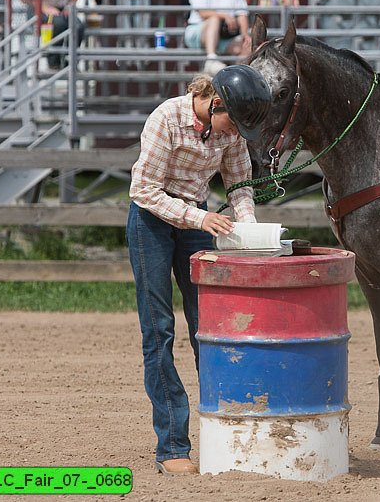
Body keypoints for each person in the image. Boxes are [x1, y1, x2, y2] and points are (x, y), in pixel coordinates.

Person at [127, 65, 271, 474]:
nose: (236, 135)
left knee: (208, 329)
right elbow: (143, 190)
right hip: (152, 221)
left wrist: (250, 230)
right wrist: (197, 218)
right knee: (159, 331)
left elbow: (240, 185)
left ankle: (223, 435)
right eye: (234, 123)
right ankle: (172, 446)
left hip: (195, 220)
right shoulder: (166, 118)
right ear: (215, 103)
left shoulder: (231, 130)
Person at [184, 0, 251, 76]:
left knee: (247, 45)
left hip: (223, 37)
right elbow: (203, 13)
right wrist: (224, 16)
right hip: (198, 32)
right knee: (214, 20)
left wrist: (245, 35)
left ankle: (240, 75)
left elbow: (242, 13)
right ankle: (211, 59)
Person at [21, 0, 85, 70]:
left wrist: (69, 6)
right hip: (39, 9)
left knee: (78, 26)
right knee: (58, 24)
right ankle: (53, 62)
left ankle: (70, 61)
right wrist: (43, 7)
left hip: (63, 8)